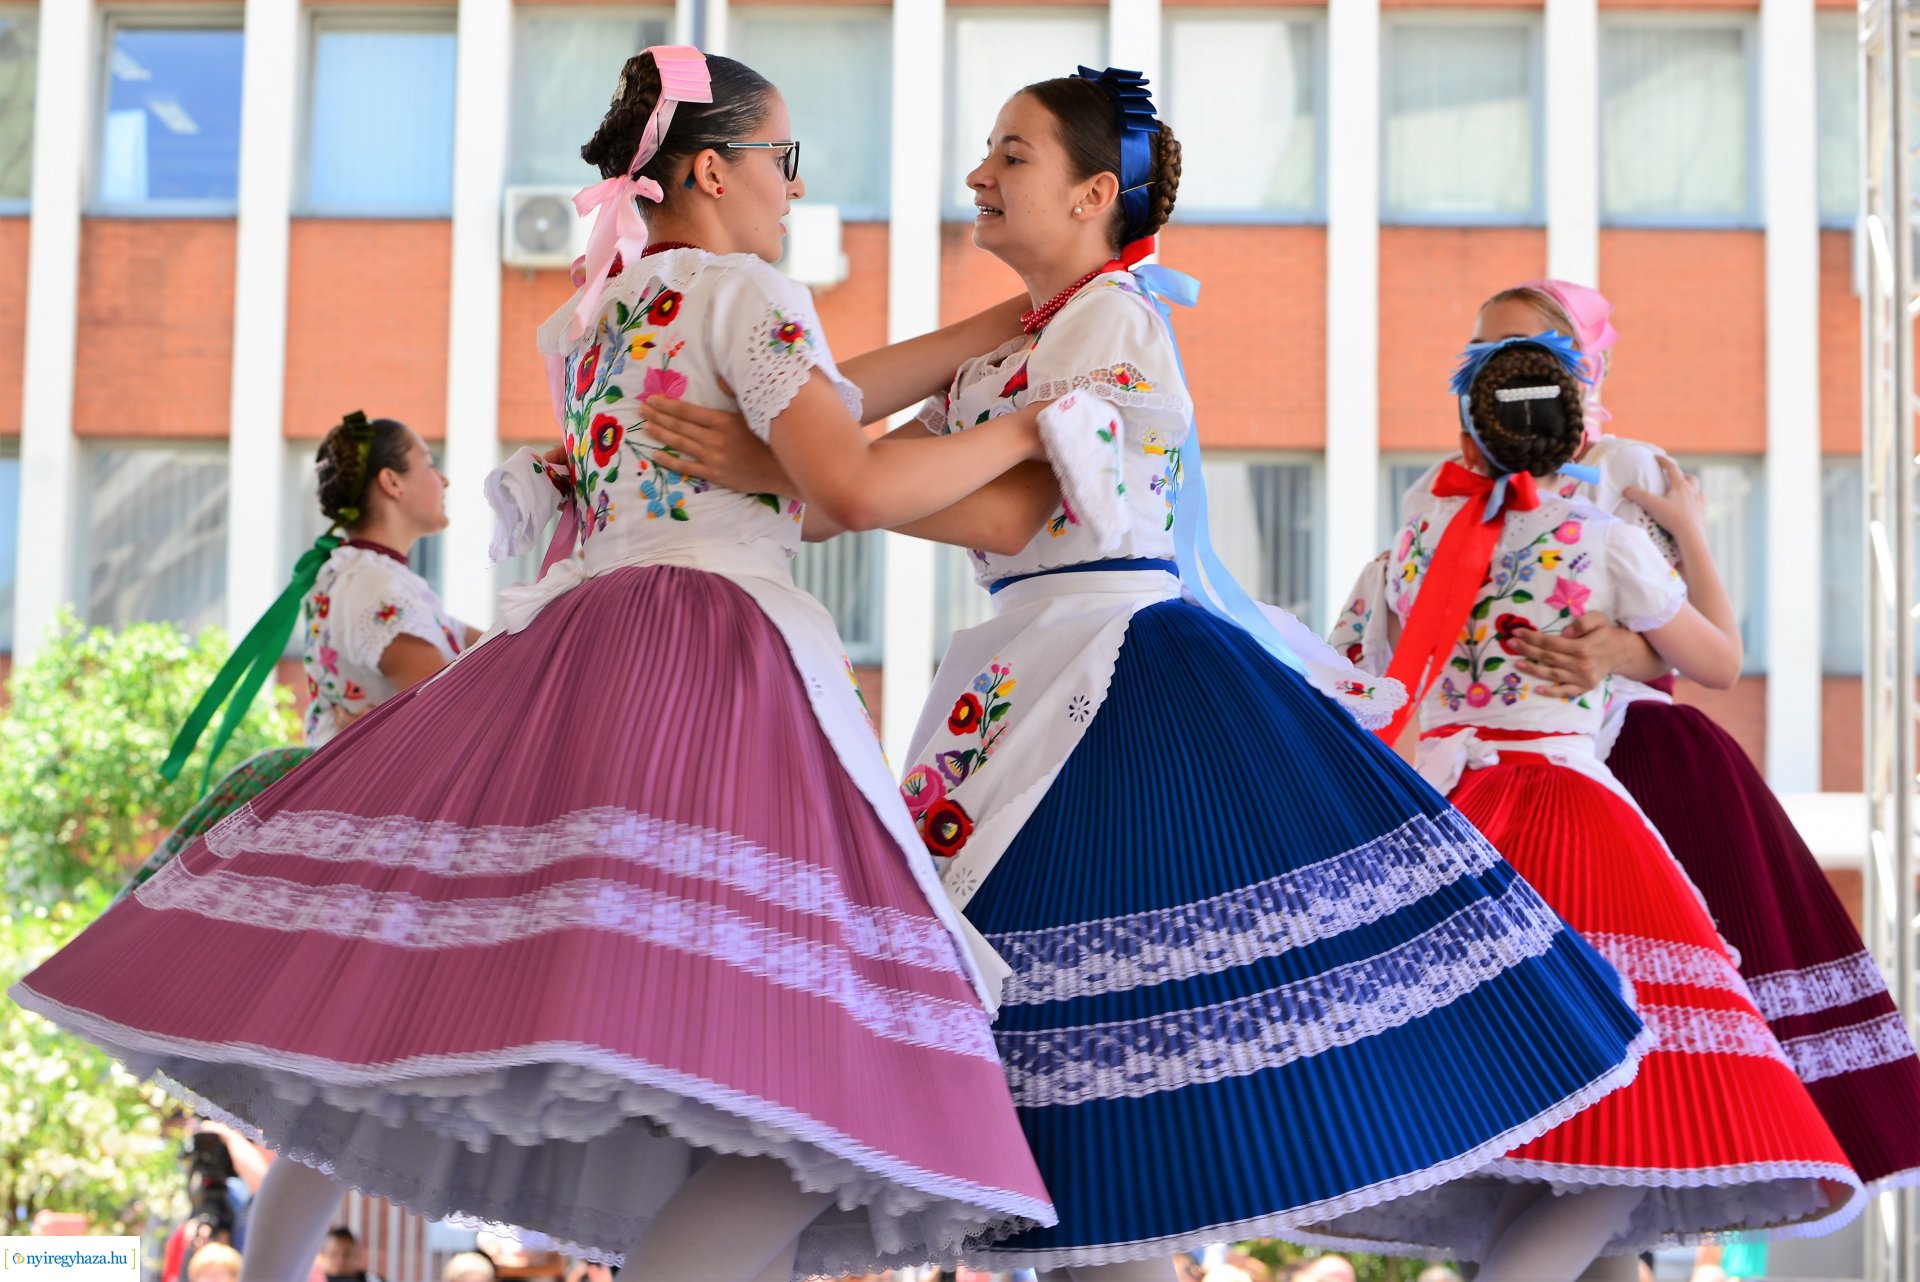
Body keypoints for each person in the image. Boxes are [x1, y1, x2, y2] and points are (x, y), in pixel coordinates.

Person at [11, 44, 1056, 1282]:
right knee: (786, 1051)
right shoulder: (752, 293)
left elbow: (812, 405)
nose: (793, 185)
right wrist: (1032, 419)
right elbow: (845, 480)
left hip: (593, 641)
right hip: (716, 651)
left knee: (697, 1043)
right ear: (711, 170)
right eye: (783, 158)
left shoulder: (599, 315)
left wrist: (997, 327)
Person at [641, 65, 1648, 1282]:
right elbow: (861, 478)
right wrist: (795, 462)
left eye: (1012, 154)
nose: (980, 173)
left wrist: (785, 464)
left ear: (1092, 195)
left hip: (1108, 682)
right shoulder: (1024, 343)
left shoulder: (1111, 322)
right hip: (1025, 675)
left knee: (975, 1024)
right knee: (1057, 1074)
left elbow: (990, 508)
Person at [1311, 335, 1859, 1278]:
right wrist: (1689, 530)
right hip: (1567, 813)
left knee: (1518, 1109)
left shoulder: (1415, 539)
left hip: (1453, 814)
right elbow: (1718, 660)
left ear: (1469, 433)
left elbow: (1365, 673)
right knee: (1645, 1102)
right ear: (1576, 439)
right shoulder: (1602, 540)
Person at [1462, 280, 1920, 1199]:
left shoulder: (1624, 464)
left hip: (1632, 759)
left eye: (1521, 350)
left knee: (1653, 1075)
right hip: (1516, 767)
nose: (1497, 369)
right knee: (1549, 1090)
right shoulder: (1460, 485)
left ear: (1581, 370)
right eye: (1479, 352)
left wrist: (1662, 582)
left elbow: (1706, 652)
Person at [115, 411, 474, 904]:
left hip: (347, 796)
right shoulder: (375, 585)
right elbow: (454, 707)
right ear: (392, 482)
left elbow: (489, 644)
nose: (443, 479)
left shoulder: (363, 575)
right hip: (370, 807)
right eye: (429, 464)